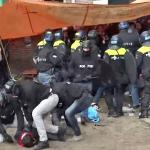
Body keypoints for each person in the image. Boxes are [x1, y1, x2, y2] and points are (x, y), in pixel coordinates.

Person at [10, 79, 65, 150]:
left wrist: (28, 125)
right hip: (43, 101)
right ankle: (59, 130)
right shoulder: (20, 91)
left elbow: (32, 107)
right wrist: (29, 122)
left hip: (51, 97)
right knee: (33, 122)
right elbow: (24, 107)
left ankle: (44, 141)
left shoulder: (28, 89)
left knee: (35, 113)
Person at [103, 35, 138, 116]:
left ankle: (111, 111)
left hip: (110, 78)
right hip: (122, 78)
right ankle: (119, 111)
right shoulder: (126, 52)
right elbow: (131, 66)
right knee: (119, 93)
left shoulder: (108, 52)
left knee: (107, 92)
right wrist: (132, 80)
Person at [136, 30, 150, 118]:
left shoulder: (140, 50)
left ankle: (144, 113)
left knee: (146, 93)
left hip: (146, 74)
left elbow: (137, 64)